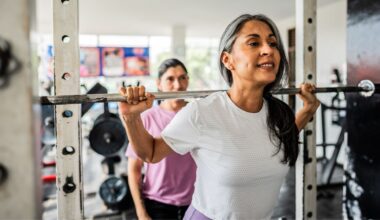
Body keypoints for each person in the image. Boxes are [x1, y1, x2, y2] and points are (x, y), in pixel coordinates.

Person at [118, 14, 320, 220]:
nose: (268, 50)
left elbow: (278, 140)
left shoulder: (280, 115)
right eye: (254, 43)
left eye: (273, 43)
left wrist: (307, 110)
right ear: (227, 60)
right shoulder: (202, 112)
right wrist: (130, 118)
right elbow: (150, 153)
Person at [124, 58, 196, 220]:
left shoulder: (196, 115)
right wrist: (141, 213)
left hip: (196, 203)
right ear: (159, 83)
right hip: (157, 205)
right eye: (170, 79)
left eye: (182, 78)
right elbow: (134, 169)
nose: (178, 85)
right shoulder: (147, 117)